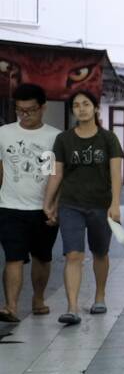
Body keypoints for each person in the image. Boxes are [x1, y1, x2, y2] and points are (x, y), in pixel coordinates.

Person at [42, 90, 124, 326]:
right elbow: (56, 173)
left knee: (100, 253)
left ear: (96, 108)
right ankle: (72, 307)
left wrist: (115, 204)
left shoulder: (108, 139)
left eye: (86, 104)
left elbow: (116, 174)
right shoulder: (63, 139)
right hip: (71, 205)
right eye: (76, 105)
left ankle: (100, 296)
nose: (81, 109)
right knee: (73, 254)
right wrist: (48, 203)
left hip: (101, 205)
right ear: (73, 111)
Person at [0, 84, 60, 323]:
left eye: (30, 110)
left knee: (42, 257)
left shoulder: (54, 137)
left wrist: (54, 205)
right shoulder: (3, 133)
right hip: (9, 207)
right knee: (13, 257)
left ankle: (38, 299)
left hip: (42, 209)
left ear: (43, 108)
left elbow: (55, 174)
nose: (24, 116)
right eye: (20, 110)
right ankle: (11, 307)